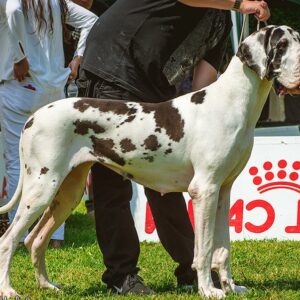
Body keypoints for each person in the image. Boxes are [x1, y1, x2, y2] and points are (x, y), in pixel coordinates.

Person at [77, 0, 270, 294]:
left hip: (155, 81)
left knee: (168, 176)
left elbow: (202, 85)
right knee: (113, 180)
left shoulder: (222, 21)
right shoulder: (231, 4)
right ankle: (122, 275)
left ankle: (192, 269)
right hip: (114, 62)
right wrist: (240, 4)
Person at [0, 0, 97, 247]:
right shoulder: (56, 2)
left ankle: (18, 235)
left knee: (15, 161)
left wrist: (20, 56)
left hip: (19, 85)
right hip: (54, 89)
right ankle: (54, 235)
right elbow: (91, 20)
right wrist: (78, 58)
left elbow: (12, 10)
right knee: (57, 163)